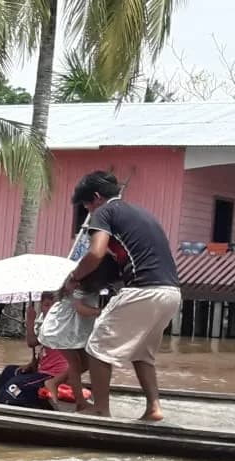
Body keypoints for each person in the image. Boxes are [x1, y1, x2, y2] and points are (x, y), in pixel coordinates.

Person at [66, 171, 182, 421]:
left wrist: (74, 278)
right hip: (171, 292)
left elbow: (95, 254)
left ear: (96, 198)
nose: (87, 210)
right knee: (142, 353)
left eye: (86, 204)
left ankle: (100, 409)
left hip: (143, 289)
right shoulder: (141, 213)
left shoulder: (103, 213)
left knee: (96, 348)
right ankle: (154, 408)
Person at [38, 271, 108, 412]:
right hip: (63, 327)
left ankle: (54, 381)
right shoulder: (76, 281)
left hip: (77, 327)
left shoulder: (91, 283)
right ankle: (80, 401)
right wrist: (101, 312)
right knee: (75, 363)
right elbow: (80, 308)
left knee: (87, 362)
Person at [0, 292, 69, 408]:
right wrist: (31, 364)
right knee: (9, 371)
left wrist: (30, 320)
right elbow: (46, 352)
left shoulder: (59, 325)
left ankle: (8, 405)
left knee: (14, 385)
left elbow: (31, 342)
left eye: (54, 306)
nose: (50, 309)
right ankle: (5, 402)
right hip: (43, 372)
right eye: (46, 305)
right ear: (41, 307)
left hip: (52, 376)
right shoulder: (47, 325)